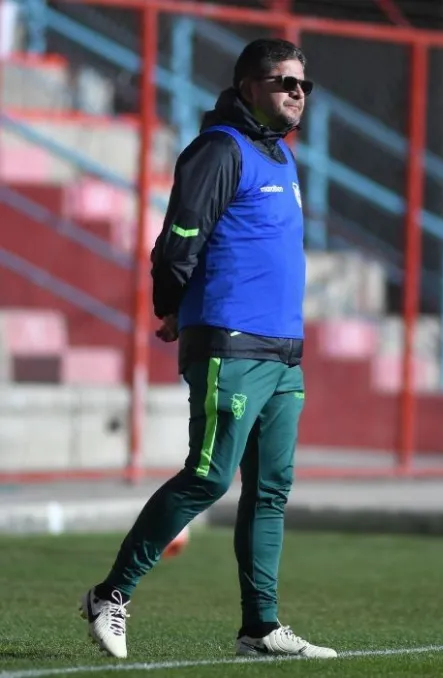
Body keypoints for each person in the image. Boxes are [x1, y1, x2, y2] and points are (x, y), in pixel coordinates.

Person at [79, 39, 336, 660]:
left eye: (303, 84)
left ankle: (261, 628)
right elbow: (178, 241)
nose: (296, 93)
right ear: (248, 86)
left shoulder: (281, 159)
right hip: (232, 342)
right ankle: (110, 595)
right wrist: (173, 306)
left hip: (283, 352)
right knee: (208, 476)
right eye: (283, 82)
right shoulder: (220, 149)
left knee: (270, 489)